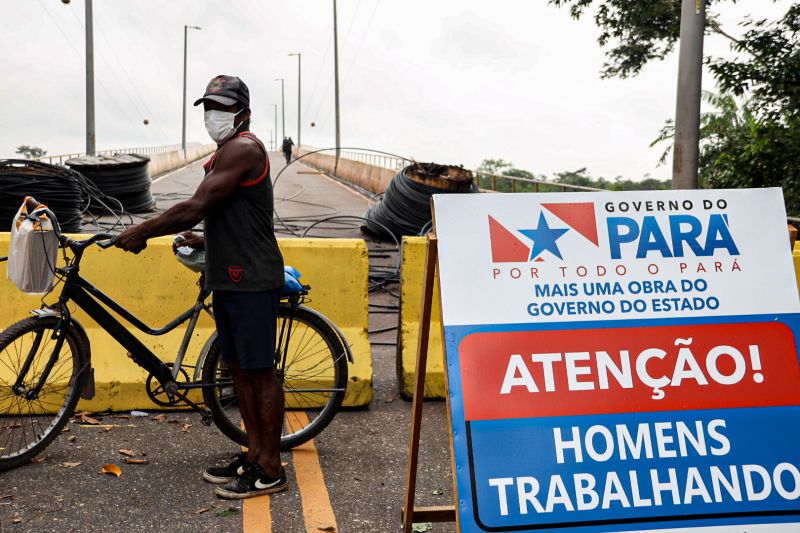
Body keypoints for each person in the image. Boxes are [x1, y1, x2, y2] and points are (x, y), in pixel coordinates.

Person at [115, 74, 287, 499]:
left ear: (242, 114)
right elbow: (233, 215)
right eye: (208, 107)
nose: (213, 116)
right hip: (228, 274)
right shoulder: (224, 153)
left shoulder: (244, 149)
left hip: (251, 277)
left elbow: (195, 206)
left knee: (260, 373)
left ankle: (271, 466)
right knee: (239, 372)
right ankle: (252, 454)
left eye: (222, 108)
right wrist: (204, 239)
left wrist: (144, 231)